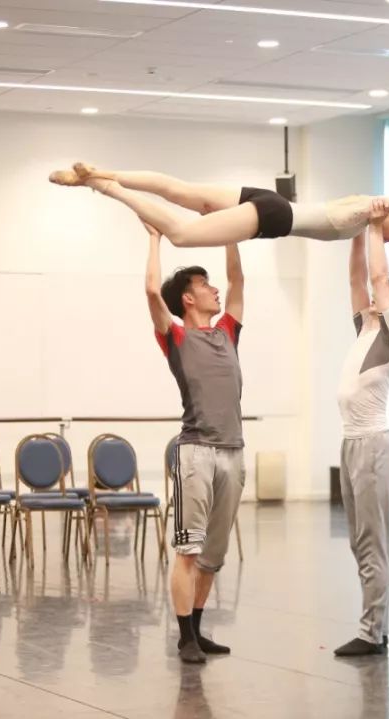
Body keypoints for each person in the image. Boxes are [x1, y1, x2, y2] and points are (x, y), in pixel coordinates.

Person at [141, 217, 246, 665]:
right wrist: (155, 238)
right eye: (205, 285)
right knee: (189, 549)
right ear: (188, 298)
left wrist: (232, 234)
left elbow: (238, 280)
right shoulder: (177, 336)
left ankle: (199, 631)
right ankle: (184, 637)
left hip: (233, 451)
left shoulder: (227, 332)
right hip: (196, 451)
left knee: (213, 555)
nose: (215, 289)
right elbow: (152, 291)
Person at [332, 199, 389, 657]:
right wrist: (357, 228)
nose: (377, 291)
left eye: (387, 291)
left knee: (373, 545)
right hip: (351, 445)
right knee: (359, 543)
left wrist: (374, 225)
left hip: (373, 447)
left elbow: (375, 273)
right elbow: (357, 277)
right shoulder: (366, 328)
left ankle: (372, 633)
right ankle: (378, 626)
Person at [48, 162, 389, 248]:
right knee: (182, 235)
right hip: (273, 216)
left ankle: (97, 172)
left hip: (268, 200)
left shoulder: (366, 209)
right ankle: (103, 186)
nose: (388, 241)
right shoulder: (375, 207)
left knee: (179, 190)